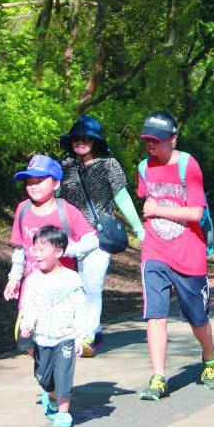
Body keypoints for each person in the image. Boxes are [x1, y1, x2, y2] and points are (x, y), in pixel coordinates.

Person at [134, 111, 214, 401]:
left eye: (157, 141)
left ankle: (210, 358)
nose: (151, 145)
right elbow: (145, 199)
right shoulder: (144, 168)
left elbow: (196, 213)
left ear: (173, 139)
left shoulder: (188, 165)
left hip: (188, 252)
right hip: (155, 250)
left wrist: (158, 210)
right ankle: (158, 376)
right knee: (155, 315)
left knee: (197, 317)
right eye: (147, 140)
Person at [58, 115, 145, 354]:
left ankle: (88, 336)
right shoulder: (64, 166)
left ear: (96, 141)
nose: (81, 142)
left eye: (87, 138)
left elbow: (122, 197)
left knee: (92, 286)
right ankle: (85, 332)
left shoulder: (109, 165)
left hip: (97, 236)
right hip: (69, 237)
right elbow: (56, 200)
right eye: (77, 138)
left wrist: (139, 229)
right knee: (71, 288)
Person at [4, 155, 99, 353]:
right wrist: (14, 277)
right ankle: (45, 376)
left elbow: (92, 239)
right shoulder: (23, 209)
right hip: (32, 289)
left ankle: (58, 376)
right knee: (26, 339)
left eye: (40, 181)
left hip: (61, 292)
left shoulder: (67, 211)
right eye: (29, 182)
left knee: (56, 339)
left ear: (56, 184)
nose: (33, 186)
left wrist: (68, 249)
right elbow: (20, 247)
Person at [18, 226, 92, 427]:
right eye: (35, 250)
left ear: (58, 252)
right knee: (44, 379)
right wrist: (27, 325)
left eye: (42, 250)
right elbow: (29, 307)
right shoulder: (32, 281)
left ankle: (63, 413)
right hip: (41, 338)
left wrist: (80, 336)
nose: (37, 254)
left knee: (63, 376)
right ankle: (50, 395)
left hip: (65, 337)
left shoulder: (72, 279)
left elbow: (80, 309)